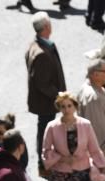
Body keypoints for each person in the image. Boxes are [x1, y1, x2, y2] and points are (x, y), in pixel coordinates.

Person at [26, 13, 66, 171]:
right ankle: (44, 162)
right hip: (46, 102)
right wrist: (59, 96)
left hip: (43, 100)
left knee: (45, 128)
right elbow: (42, 83)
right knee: (45, 130)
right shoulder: (41, 54)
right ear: (46, 27)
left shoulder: (38, 45)